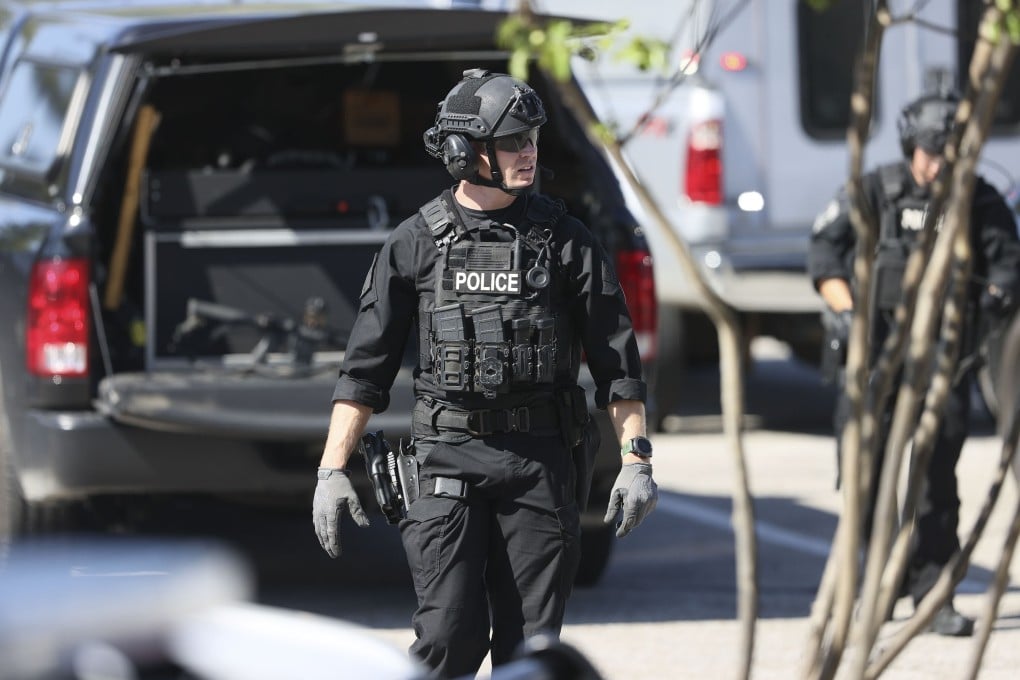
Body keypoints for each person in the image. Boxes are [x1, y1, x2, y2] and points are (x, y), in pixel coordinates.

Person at [311, 68, 658, 677]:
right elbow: (364, 370)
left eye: (532, 139)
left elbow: (616, 364)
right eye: (513, 141)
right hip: (447, 455)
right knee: (446, 639)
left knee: (530, 650)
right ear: (465, 151)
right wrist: (332, 470)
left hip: (539, 463)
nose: (530, 153)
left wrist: (636, 461)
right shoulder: (415, 243)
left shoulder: (567, 241)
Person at [808, 90, 1020, 637]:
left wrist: (996, 294)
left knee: (936, 485)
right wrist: (845, 309)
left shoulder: (978, 198)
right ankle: (874, 589)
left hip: (945, 363)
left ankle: (932, 592)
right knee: (869, 481)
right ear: (910, 146)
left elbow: (1008, 263)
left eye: (948, 152)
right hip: (876, 363)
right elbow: (825, 253)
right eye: (930, 150)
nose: (938, 163)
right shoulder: (876, 190)